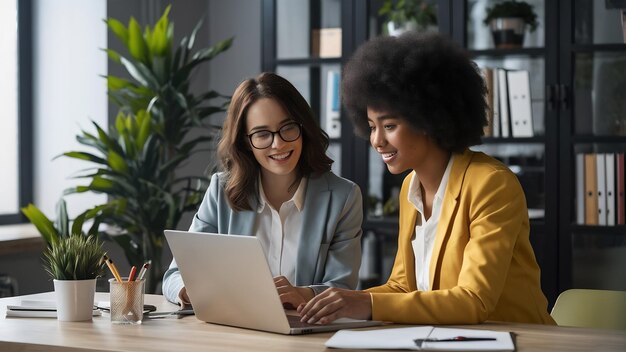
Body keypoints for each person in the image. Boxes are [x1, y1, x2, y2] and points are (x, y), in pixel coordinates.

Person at [294, 32, 556, 325]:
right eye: (371, 127)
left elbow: (474, 300)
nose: (377, 141)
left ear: (429, 119)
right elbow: (401, 288)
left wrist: (363, 302)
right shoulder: (412, 187)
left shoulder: (491, 184)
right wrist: (314, 298)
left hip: (519, 340)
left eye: (389, 125)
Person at [162, 73, 363, 308]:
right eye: (262, 134)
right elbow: (175, 276)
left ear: (303, 127)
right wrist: (190, 291)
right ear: (246, 141)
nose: (278, 144)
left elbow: (342, 288)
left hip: (304, 333)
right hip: (234, 330)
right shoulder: (221, 190)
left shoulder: (343, 197)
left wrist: (303, 294)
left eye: (287, 128)